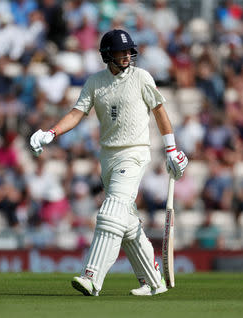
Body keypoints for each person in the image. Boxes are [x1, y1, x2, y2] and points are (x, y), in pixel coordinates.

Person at [29, 29, 188, 296]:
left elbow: (160, 111)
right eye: (120, 52)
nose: (126, 55)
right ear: (107, 55)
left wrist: (171, 149)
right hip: (108, 158)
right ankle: (153, 281)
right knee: (125, 223)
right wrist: (50, 132)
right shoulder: (95, 82)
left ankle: (91, 277)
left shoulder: (141, 77)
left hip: (135, 154)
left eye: (129, 51)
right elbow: (77, 113)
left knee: (109, 212)